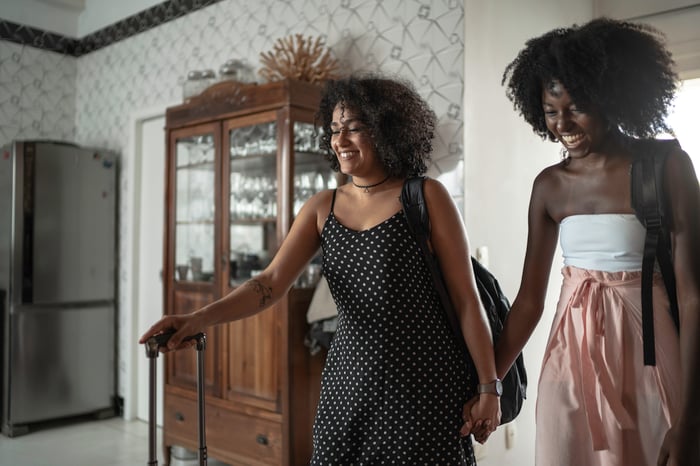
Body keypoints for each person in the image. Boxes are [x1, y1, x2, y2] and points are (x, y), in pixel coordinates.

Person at [140, 74, 501, 464]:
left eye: (354, 129)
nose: (340, 141)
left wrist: (489, 388)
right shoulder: (321, 207)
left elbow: (467, 302)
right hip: (346, 385)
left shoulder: (426, 197)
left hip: (422, 388)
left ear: (386, 129)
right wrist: (197, 318)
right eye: (334, 130)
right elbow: (269, 283)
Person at [493, 17, 700, 466]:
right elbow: (529, 303)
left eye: (577, 106)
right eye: (551, 111)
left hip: (651, 356)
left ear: (612, 99)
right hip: (571, 360)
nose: (562, 123)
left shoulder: (666, 166)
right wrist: (488, 383)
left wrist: (689, 422)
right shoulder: (549, 186)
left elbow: (692, 295)